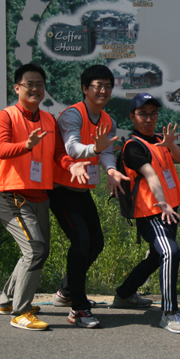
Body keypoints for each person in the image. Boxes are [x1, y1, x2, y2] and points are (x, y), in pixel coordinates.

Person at [0, 63, 88, 331]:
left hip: (40, 197)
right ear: (17, 88)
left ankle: (8, 300)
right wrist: (26, 145)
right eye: (29, 84)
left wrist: (72, 166)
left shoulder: (48, 120)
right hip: (12, 197)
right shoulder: (5, 117)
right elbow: (1, 149)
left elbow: (58, 154)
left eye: (39, 85)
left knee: (37, 252)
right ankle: (21, 312)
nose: (35, 89)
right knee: (35, 250)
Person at [48, 65, 130, 329]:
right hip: (60, 189)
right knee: (81, 241)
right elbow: (72, 147)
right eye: (98, 86)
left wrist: (112, 170)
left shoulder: (107, 120)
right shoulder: (72, 114)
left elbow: (106, 152)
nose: (103, 91)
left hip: (82, 190)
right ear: (85, 89)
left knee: (96, 243)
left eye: (108, 86)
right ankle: (79, 308)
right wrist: (94, 148)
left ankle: (66, 291)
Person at [113, 93, 180, 334]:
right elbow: (150, 174)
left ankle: (124, 294)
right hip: (152, 211)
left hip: (169, 210)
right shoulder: (133, 146)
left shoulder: (158, 140)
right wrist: (163, 203)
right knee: (170, 252)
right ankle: (169, 313)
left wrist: (171, 144)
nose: (148, 119)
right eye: (142, 114)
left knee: (157, 256)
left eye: (153, 113)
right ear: (132, 117)